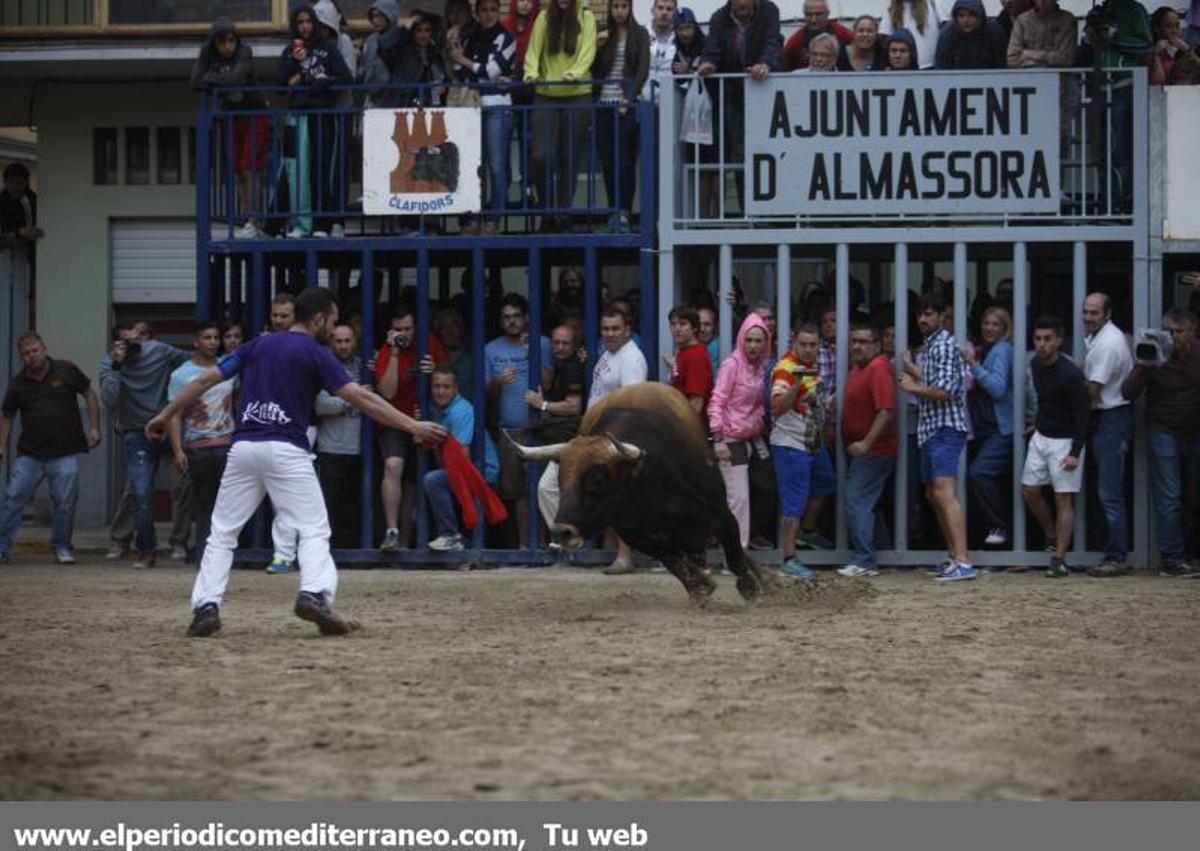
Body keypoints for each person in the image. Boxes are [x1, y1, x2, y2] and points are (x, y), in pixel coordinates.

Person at [146, 287, 447, 638]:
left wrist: (165, 414)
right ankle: (314, 594)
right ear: (318, 318)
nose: (332, 330)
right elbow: (360, 397)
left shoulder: (257, 345)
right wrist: (412, 424)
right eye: (331, 322)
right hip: (286, 448)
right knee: (314, 528)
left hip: (243, 448)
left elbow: (204, 379)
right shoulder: (316, 353)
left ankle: (206, 606)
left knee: (222, 532)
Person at [0, 332, 100, 565]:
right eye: (26, 353)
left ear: (43, 349)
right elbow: (7, 416)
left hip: (64, 453)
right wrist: (1, 445)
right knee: (14, 498)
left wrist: (95, 427)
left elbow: (89, 393)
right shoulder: (17, 384)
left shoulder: (66, 370)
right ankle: (2, 546)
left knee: (65, 503)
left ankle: (62, 547)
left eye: (35, 350)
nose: (32, 356)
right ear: (21, 357)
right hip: (30, 454)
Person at [99, 321, 191, 568]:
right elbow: (108, 399)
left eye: (136, 338)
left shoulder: (158, 350)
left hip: (167, 426)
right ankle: (145, 549)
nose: (132, 343)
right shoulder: (109, 361)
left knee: (182, 485)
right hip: (137, 432)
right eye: (124, 341)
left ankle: (179, 543)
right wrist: (117, 365)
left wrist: (176, 402)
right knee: (139, 492)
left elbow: (190, 363)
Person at [899, 292, 975, 581]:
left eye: (929, 314)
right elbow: (939, 380)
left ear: (942, 316)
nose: (923, 319)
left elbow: (945, 391)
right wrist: (914, 371)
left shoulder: (942, 345)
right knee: (934, 493)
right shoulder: (933, 346)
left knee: (943, 492)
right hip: (932, 428)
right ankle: (955, 556)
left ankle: (963, 559)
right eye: (920, 314)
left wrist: (911, 385)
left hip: (945, 427)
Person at [1121, 309, 1200, 576]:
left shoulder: (1198, 354)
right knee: (1170, 498)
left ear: (1192, 332)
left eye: (1179, 331)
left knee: (1193, 497)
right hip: (1163, 431)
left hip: (1195, 432)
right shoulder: (1153, 353)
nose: (1173, 337)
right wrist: (1145, 366)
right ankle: (1172, 560)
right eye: (1168, 331)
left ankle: (1190, 553)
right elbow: (1128, 393)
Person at [375, 304, 450, 550]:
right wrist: (394, 353)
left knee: (416, 482)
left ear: (415, 327)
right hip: (395, 419)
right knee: (394, 465)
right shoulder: (388, 351)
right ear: (391, 330)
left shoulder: (429, 342)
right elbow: (387, 392)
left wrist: (434, 371)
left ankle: (407, 543)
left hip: (424, 419)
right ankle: (392, 531)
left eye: (408, 328)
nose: (404, 333)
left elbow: (448, 380)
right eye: (398, 329)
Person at [698, 0, 782, 212]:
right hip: (734, 95)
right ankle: (748, 213)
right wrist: (708, 64)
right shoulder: (719, 17)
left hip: (765, 92)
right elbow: (712, 49)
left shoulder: (770, 10)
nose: (742, 5)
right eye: (738, 2)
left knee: (772, 151)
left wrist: (765, 64)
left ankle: (772, 212)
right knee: (739, 153)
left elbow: (773, 43)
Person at [278, 1, 352, 240]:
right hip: (295, 117)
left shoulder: (328, 49)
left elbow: (346, 79)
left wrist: (325, 81)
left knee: (321, 171)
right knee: (295, 173)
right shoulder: (289, 51)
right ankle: (301, 224)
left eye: (309, 21)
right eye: (300, 22)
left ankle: (322, 224)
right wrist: (297, 66)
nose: (305, 27)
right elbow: (280, 86)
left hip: (321, 117)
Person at [1022, 317, 1089, 578]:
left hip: (1065, 441)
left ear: (1059, 340)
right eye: (1038, 339)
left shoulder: (1070, 374)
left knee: (1064, 497)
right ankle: (1051, 534)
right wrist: (1037, 425)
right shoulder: (1035, 364)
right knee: (1030, 491)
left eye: (1048, 339)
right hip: (1042, 436)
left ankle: (1059, 558)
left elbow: (1083, 415)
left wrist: (1075, 452)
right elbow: (1046, 402)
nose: (1042, 345)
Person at [523, 0, 599, 232]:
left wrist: (575, 73)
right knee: (541, 156)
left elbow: (588, 50)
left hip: (578, 94)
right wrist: (531, 73)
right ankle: (547, 211)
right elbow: (533, 50)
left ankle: (563, 213)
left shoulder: (586, 17)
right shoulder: (544, 18)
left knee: (569, 157)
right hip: (546, 94)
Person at [192, 17, 269, 239]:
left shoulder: (245, 51)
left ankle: (255, 221)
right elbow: (195, 81)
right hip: (231, 116)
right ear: (214, 43)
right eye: (222, 42)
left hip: (255, 113)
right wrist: (218, 79)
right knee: (238, 170)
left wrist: (213, 79)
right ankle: (249, 220)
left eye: (231, 41)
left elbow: (236, 77)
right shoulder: (207, 53)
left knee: (249, 167)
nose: (228, 46)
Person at [168, 322, 237, 566]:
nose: (212, 342)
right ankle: (206, 555)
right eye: (206, 337)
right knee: (206, 504)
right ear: (196, 342)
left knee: (228, 504)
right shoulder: (181, 375)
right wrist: (177, 450)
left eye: (215, 337)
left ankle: (224, 554)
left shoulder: (227, 367)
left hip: (227, 443)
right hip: (197, 446)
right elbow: (174, 413)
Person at [486, 293, 552, 549]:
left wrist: (531, 352)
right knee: (516, 493)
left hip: (539, 428)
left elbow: (548, 382)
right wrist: (498, 382)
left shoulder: (543, 343)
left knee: (542, 488)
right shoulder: (490, 349)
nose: (512, 322)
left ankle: (544, 544)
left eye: (516, 316)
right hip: (509, 431)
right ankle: (525, 546)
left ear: (526, 318)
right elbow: (486, 394)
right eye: (506, 317)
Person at [770, 323, 833, 578]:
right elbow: (777, 407)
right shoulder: (786, 370)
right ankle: (788, 558)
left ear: (819, 345)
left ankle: (806, 533)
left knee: (826, 482)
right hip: (791, 444)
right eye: (803, 344)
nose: (808, 349)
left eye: (812, 345)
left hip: (810, 443)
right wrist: (796, 386)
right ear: (794, 342)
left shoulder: (808, 366)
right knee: (793, 502)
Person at [447, 0, 516, 233]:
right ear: (477, 13)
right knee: (474, 165)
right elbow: (458, 71)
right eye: (484, 10)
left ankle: (494, 219)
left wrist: (466, 62)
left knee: (496, 164)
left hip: (497, 105)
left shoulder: (506, 38)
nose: (488, 15)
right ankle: (474, 216)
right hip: (471, 106)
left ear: (499, 11)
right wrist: (457, 48)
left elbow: (491, 70)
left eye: (493, 10)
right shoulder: (471, 36)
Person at [590, 306, 648, 573]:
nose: (610, 333)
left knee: (620, 495)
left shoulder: (631, 358)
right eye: (606, 329)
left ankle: (624, 556)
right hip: (600, 435)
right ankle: (611, 550)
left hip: (618, 437)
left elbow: (630, 404)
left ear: (628, 330)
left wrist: (618, 443)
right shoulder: (608, 354)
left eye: (615, 329)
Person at [1081, 292, 1135, 577]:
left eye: (1094, 313)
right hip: (1109, 417)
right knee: (1106, 490)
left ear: (1108, 314)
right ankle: (1110, 551)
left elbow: (1092, 390)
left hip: (1111, 417)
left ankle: (1116, 556)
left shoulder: (1109, 344)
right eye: (1086, 312)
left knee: (1108, 492)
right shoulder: (1102, 339)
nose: (1088, 317)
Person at [838, 324, 898, 577]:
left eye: (863, 342)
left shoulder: (878, 368)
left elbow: (886, 410)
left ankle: (864, 559)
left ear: (876, 345)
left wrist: (866, 443)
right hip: (861, 450)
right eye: (854, 341)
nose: (857, 346)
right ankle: (881, 550)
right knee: (867, 503)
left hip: (875, 451)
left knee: (856, 500)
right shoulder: (858, 368)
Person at [709, 313, 771, 550]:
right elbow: (717, 401)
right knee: (738, 498)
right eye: (749, 340)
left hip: (752, 438)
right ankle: (737, 552)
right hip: (731, 438)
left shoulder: (760, 366)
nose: (753, 346)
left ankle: (743, 543)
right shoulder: (732, 365)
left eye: (758, 340)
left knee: (764, 488)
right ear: (740, 340)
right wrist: (718, 439)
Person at [423, 367, 501, 551]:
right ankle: (461, 543)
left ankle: (451, 536)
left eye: (446, 387)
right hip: (463, 467)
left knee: (433, 480)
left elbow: (460, 457)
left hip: (480, 469)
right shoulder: (434, 407)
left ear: (456, 388)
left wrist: (431, 442)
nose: (441, 391)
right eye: (436, 386)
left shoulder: (461, 410)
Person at [592, 0, 650, 234]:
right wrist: (597, 46)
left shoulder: (640, 33)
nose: (619, 11)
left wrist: (630, 97)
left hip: (626, 104)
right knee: (607, 161)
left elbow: (642, 70)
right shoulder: (602, 32)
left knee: (625, 160)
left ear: (630, 8)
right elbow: (592, 69)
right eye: (615, 6)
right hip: (603, 103)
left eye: (623, 6)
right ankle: (613, 211)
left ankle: (624, 211)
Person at [965, 307, 1015, 548]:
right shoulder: (988, 350)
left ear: (1005, 329)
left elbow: (996, 388)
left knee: (980, 473)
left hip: (1000, 428)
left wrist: (973, 364)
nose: (990, 328)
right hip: (985, 428)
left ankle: (1000, 527)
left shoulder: (1002, 350)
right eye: (986, 323)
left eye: (996, 324)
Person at [529, 323, 587, 530]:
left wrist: (542, 405)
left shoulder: (572, 368)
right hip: (566, 439)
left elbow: (574, 406)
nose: (559, 347)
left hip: (570, 439)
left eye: (565, 343)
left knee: (547, 488)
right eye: (556, 342)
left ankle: (569, 537)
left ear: (575, 346)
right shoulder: (562, 366)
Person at [314, 324, 363, 548]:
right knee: (328, 503)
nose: (343, 346)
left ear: (355, 342)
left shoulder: (363, 367)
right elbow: (320, 405)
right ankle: (327, 550)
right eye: (338, 341)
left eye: (347, 341)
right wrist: (357, 399)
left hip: (360, 446)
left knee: (354, 505)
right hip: (330, 447)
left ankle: (352, 553)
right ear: (331, 343)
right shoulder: (324, 366)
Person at [667, 304, 713, 418]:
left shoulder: (696, 357)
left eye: (683, 324)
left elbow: (696, 403)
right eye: (673, 324)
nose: (677, 329)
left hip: (690, 428)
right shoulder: (683, 351)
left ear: (695, 328)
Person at [934, 0, 1008, 69]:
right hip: (955, 80)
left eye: (971, 15)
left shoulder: (995, 32)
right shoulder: (947, 34)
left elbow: (1002, 66)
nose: (966, 20)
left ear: (980, 16)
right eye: (961, 15)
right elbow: (941, 69)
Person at [783, 0, 854, 71]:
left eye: (818, 14)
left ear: (827, 14)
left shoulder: (843, 33)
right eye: (809, 15)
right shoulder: (795, 42)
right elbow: (785, 67)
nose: (813, 20)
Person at [360, 1, 407, 108]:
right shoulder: (370, 41)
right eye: (374, 16)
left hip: (397, 99)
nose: (376, 20)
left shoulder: (402, 38)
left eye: (381, 15)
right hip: (373, 97)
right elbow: (365, 67)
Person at [1006, 0, 1078, 67]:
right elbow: (1011, 59)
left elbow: (1067, 59)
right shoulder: (1022, 20)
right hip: (1027, 76)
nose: (1042, 1)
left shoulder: (1067, 20)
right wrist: (1045, 60)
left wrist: (1034, 55)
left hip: (1059, 77)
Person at [880, 0, 942, 69]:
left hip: (928, 66)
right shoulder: (892, 9)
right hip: (902, 68)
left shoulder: (931, 5)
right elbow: (886, 38)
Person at [645, 0, 679, 102]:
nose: (664, 12)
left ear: (675, 13)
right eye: (660, 8)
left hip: (671, 100)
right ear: (653, 11)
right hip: (644, 100)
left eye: (669, 9)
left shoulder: (680, 36)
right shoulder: (642, 34)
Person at [1151, 5, 1193, 84]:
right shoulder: (1151, 52)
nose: (1174, 31)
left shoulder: (1181, 49)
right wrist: (1155, 56)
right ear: (1157, 29)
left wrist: (1189, 52)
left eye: (1177, 26)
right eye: (1169, 26)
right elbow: (1158, 83)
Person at [0, 163, 42, 243]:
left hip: (28, 247)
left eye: (19, 182)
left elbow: (32, 231)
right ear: (5, 182)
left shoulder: (32, 200)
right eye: (11, 182)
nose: (15, 187)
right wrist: (19, 232)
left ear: (26, 184)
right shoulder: (2, 199)